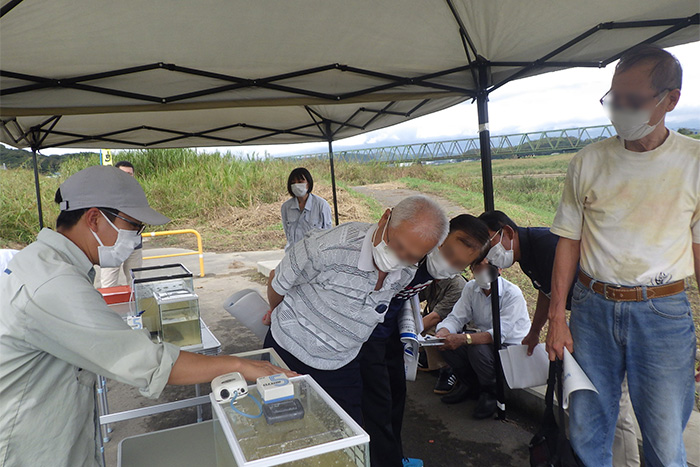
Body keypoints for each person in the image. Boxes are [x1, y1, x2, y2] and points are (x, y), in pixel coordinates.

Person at [0, 166, 295, 466]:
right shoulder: (52, 283)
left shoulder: (44, 264)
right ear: (93, 218)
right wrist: (240, 365)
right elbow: (149, 362)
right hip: (28, 450)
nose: (136, 238)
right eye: (133, 226)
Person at [546, 45, 699, 466]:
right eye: (614, 99)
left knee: (665, 441)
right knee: (585, 429)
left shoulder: (694, 162)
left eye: (633, 101)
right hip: (591, 309)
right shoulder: (588, 161)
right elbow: (568, 241)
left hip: (663, 313)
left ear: (670, 99)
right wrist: (557, 317)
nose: (620, 110)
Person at [263, 195, 448, 424]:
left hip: (342, 362)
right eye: (398, 245)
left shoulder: (407, 270)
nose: (400, 257)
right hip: (289, 352)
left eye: (412, 256)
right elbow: (278, 282)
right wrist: (278, 313)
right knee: (285, 428)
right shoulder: (328, 246)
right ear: (384, 219)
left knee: (346, 432)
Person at [479, 209, 640, 466]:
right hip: (583, 324)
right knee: (583, 397)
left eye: (488, 246)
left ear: (507, 232)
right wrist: (534, 332)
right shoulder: (527, 255)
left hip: (603, 322)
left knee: (613, 401)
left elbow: (572, 290)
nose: (488, 256)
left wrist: (563, 329)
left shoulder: (546, 245)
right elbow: (548, 292)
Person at [359, 214, 489, 467]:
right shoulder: (407, 256)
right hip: (367, 338)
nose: (448, 263)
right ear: (438, 237)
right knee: (378, 406)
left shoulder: (439, 275)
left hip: (390, 337)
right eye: (447, 251)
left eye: (458, 263)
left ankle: (396, 456)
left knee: (396, 398)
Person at [436, 260, 530, 419]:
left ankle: (490, 392)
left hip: (509, 349)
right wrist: (442, 333)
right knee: (445, 344)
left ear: (499, 268)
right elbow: (456, 317)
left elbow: (499, 334)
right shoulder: (471, 288)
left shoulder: (512, 293)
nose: (481, 271)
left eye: (486, 266)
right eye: (477, 267)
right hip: (487, 345)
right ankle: (469, 384)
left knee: (475, 346)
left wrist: (464, 338)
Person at [100, 160, 144, 287]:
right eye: (123, 173)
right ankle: (108, 307)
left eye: (129, 174)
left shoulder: (138, 192)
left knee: (136, 283)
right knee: (108, 284)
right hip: (111, 244)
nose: (127, 176)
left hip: (134, 242)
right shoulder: (105, 193)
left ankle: (135, 307)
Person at [280, 167, 333, 250]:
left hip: (316, 255)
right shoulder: (286, 207)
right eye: (293, 183)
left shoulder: (321, 205)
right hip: (294, 253)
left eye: (300, 182)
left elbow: (328, 233)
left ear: (308, 184)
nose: (296, 185)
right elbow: (288, 234)